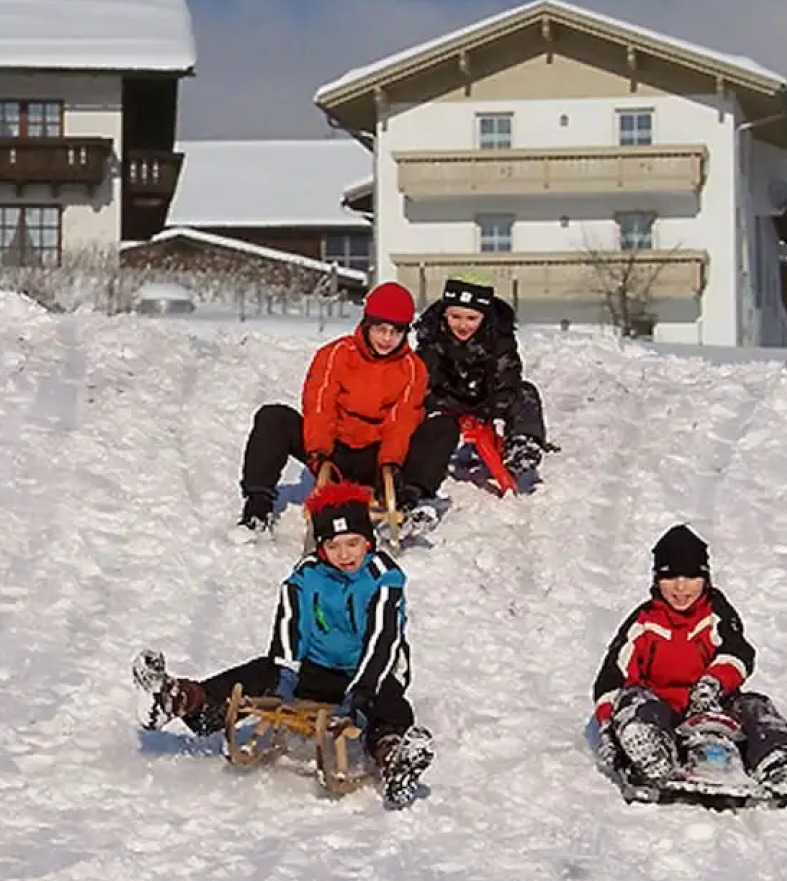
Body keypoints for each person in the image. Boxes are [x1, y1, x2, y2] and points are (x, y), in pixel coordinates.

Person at [136, 482, 435, 808]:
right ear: (321, 548)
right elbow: (289, 632)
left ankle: (394, 756)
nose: (345, 555)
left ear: (368, 542)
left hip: (374, 671)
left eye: (353, 544)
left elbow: (383, 639)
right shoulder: (306, 577)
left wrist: (361, 692)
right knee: (261, 672)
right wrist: (282, 681)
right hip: (320, 669)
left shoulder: (383, 577)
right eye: (334, 547)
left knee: (388, 703)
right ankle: (181, 700)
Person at [591, 524, 787, 796]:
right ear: (656, 580)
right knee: (635, 699)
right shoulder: (644, 622)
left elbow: (738, 651)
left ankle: (776, 762)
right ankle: (652, 755)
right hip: (662, 711)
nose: (680, 587)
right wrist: (608, 727)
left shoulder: (716, 614)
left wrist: (713, 683)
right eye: (670, 577)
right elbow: (612, 676)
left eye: (690, 577)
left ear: (705, 578)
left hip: (713, 707)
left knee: (755, 706)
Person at [237, 281, 446, 532]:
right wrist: (320, 454)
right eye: (380, 329)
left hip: (375, 456)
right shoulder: (336, 354)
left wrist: (390, 466)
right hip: (335, 449)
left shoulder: (412, 368)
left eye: (396, 332)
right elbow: (319, 406)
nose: (387, 338)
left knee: (441, 425)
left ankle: (411, 501)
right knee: (273, 417)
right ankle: (258, 505)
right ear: (367, 324)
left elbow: (401, 422)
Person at [409, 274, 548, 487]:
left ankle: (523, 443)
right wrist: (439, 403)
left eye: (471, 319)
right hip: (447, 399)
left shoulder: (498, 336)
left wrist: (495, 405)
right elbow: (425, 376)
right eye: (455, 317)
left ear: (485, 317)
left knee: (525, 393)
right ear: (444, 313)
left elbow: (507, 374)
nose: (462, 325)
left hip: (487, 397)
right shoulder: (433, 336)